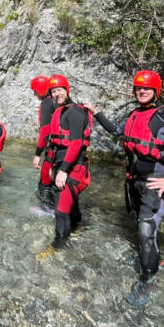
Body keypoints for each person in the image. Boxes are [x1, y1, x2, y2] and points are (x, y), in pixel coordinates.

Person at [84, 70, 164, 306]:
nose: (141, 91)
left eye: (146, 88)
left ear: (156, 90)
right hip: (134, 182)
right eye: (138, 88)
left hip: (155, 184)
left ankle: (147, 283)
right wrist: (97, 113)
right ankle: (154, 259)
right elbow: (117, 131)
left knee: (146, 230)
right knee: (140, 226)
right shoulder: (135, 114)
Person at [43, 74, 92, 249]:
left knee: (61, 210)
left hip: (74, 168)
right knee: (72, 206)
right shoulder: (59, 112)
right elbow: (55, 143)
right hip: (63, 166)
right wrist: (51, 166)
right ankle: (77, 228)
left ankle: (58, 246)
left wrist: (63, 170)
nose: (57, 94)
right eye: (53, 91)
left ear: (67, 90)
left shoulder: (75, 111)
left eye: (59, 90)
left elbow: (76, 143)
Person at [30, 75, 57, 216]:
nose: (34, 94)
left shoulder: (47, 103)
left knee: (44, 182)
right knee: (54, 179)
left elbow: (45, 132)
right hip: (61, 148)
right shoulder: (55, 101)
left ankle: (48, 209)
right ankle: (57, 206)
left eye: (35, 91)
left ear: (41, 90)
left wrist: (37, 155)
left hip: (53, 148)